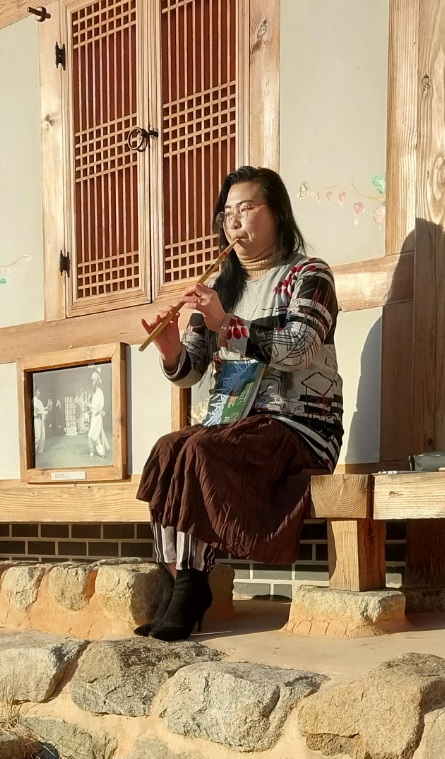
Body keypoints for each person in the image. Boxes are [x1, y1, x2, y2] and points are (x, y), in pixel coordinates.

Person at [136, 165, 343, 641]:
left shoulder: (309, 275)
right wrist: (170, 347)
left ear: (278, 215)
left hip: (299, 426)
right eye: (227, 213)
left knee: (199, 449)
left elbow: (299, 347)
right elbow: (190, 371)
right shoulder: (221, 287)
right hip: (233, 424)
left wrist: (226, 324)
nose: (234, 221)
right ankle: (178, 580)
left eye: (247, 208)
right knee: (169, 449)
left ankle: (192, 587)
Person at [87, 370, 109, 457]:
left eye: (93, 380)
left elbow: (101, 405)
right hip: (93, 417)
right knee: (91, 436)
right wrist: (90, 410)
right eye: (91, 381)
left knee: (93, 435)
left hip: (97, 417)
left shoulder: (100, 392)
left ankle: (100, 452)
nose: (92, 382)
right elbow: (92, 406)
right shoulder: (93, 393)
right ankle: (93, 451)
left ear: (96, 382)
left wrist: (97, 411)